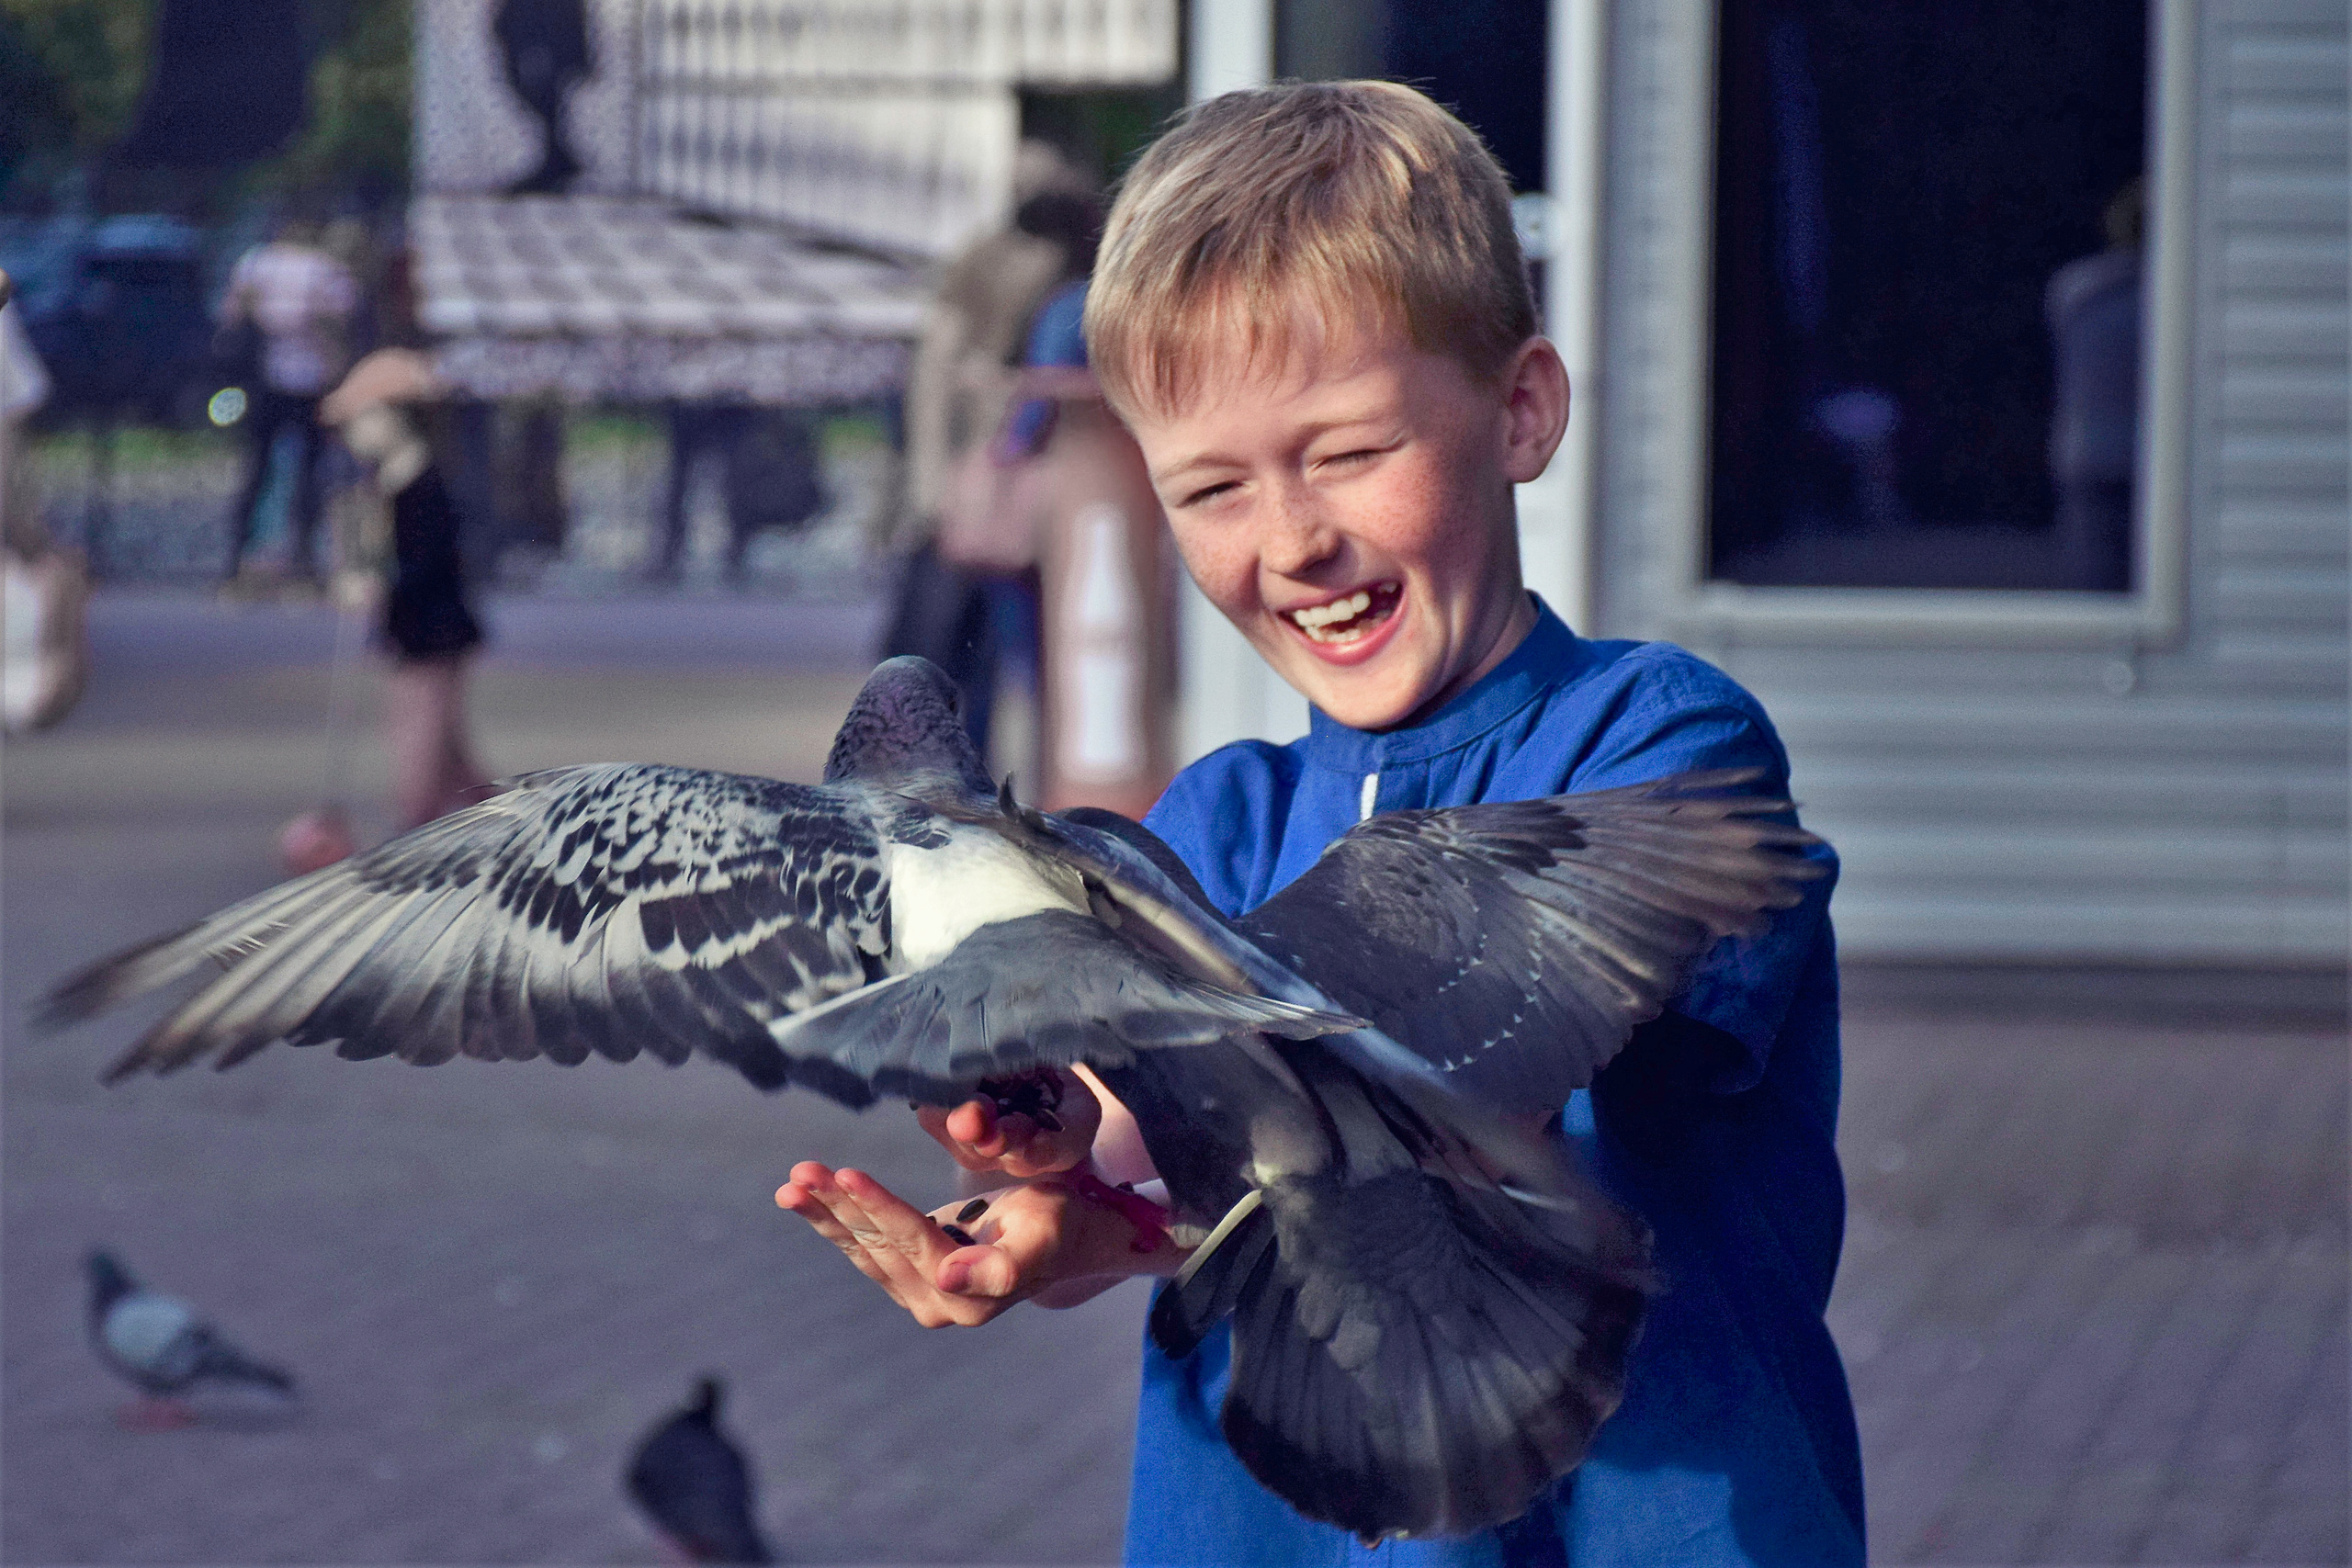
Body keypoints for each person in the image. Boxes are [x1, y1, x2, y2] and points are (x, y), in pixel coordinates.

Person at [777, 83, 1862, 1568]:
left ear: (1522, 410)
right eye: (1214, 485)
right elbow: (1159, 1138)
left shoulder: (1661, 744)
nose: (1292, 538)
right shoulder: (1215, 821)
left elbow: (1456, 1089)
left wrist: (1179, 1111)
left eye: (1348, 452)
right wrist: (1056, 1190)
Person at [217, 217, 357, 587]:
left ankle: (243, 555)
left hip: (275, 379)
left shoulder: (258, 263)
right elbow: (341, 321)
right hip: (304, 379)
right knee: (305, 470)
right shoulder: (323, 268)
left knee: (262, 468)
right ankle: (300, 558)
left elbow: (232, 313)